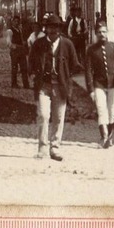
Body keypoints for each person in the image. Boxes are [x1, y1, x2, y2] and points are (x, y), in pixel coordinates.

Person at [29, 12, 83, 162]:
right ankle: (42, 147)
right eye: (50, 28)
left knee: (59, 118)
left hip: (60, 86)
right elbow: (31, 61)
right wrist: (33, 74)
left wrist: (66, 76)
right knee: (43, 115)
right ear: (46, 29)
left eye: (57, 29)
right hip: (43, 86)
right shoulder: (39, 44)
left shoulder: (67, 44)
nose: (53, 32)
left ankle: (55, 147)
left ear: (60, 30)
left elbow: (75, 64)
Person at [84, 21, 114, 148]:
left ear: (107, 32)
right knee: (101, 110)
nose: (101, 34)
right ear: (95, 33)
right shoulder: (91, 50)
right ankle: (104, 137)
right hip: (99, 84)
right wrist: (91, 88)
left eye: (104, 32)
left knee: (112, 111)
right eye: (99, 32)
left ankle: (110, 138)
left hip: (113, 84)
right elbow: (88, 71)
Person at [8, 15, 30, 89]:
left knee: (24, 67)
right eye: (15, 21)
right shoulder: (10, 31)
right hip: (15, 51)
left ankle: (26, 84)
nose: (16, 23)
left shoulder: (20, 30)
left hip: (21, 51)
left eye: (18, 21)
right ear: (12, 22)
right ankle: (14, 83)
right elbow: (8, 43)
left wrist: (23, 44)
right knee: (14, 68)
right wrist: (16, 47)